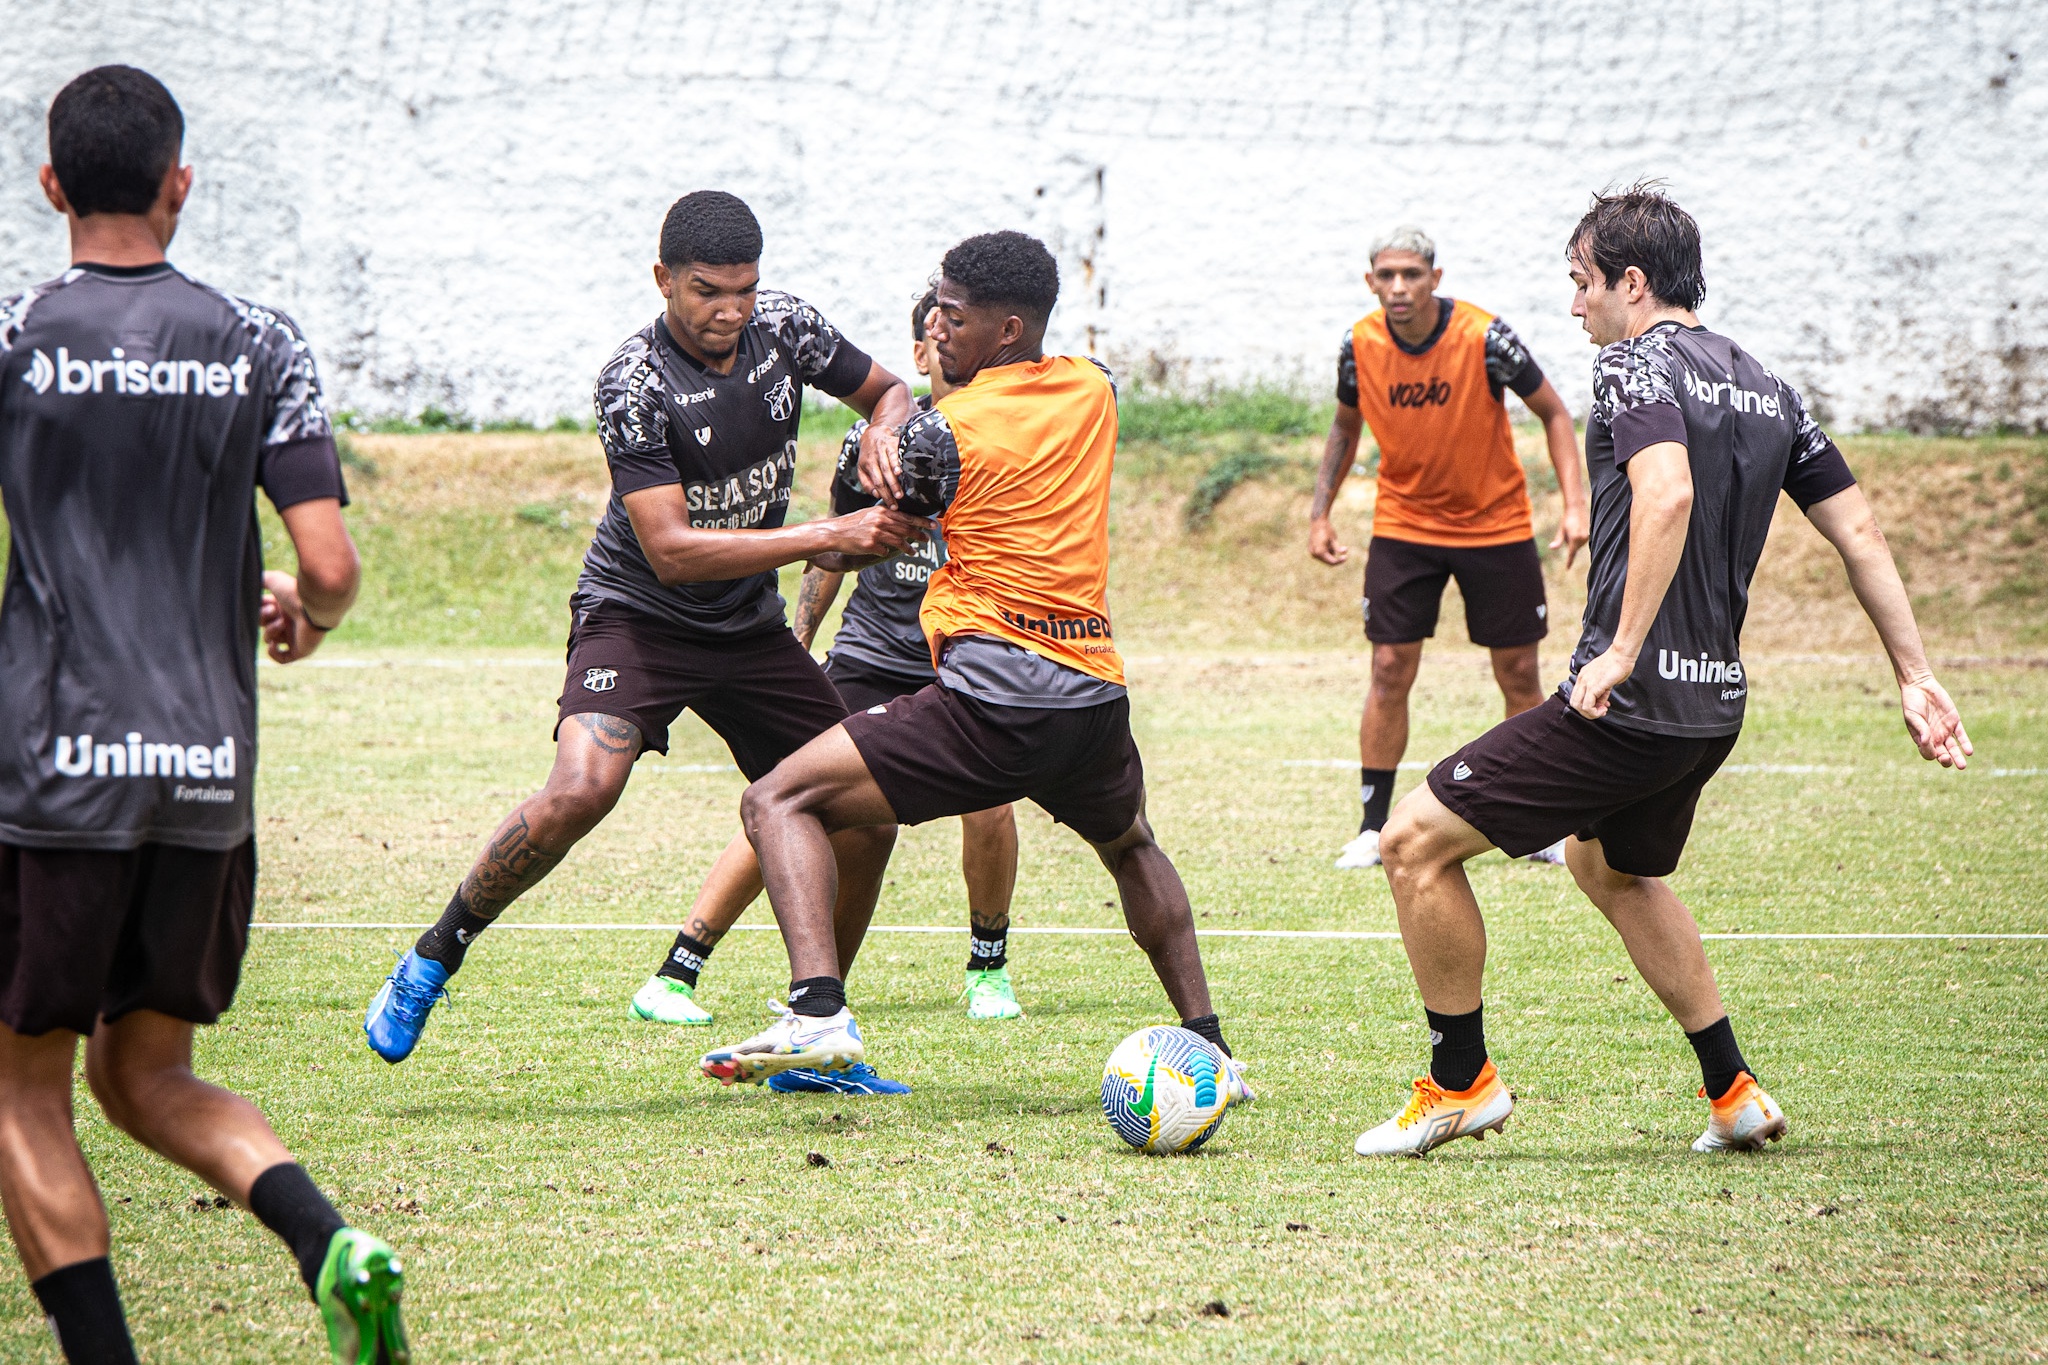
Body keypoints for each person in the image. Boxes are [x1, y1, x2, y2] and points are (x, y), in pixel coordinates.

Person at [1352, 184, 1971, 1158]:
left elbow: (1666, 491)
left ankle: (1457, 1081)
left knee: (1410, 844)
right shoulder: (1766, 386)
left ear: (1629, 283)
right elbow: (1857, 528)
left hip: (1629, 702)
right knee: (1612, 869)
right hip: (1711, 707)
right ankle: (1731, 1092)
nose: (1571, 307)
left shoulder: (1636, 366)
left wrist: (1621, 649)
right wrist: (1913, 672)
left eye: (1579, 283)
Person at [0, 67, 408, 1364]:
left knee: (25, 1091)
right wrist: (304, 612)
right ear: (180, 185)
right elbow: (331, 568)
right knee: (145, 1076)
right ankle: (325, 1239)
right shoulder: (259, 339)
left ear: (53, 185)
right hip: (203, 779)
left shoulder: (15, 332)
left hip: (51, 774)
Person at [362, 192, 926, 1083]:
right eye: (708, 291)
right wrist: (828, 536)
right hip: (638, 616)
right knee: (583, 788)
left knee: (867, 809)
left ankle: (816, 1028)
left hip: (747, 629)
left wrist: (885, 438)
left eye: (744, 289)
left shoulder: (786, 328)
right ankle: (436, 953)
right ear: (663, 278)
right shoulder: (634, 382)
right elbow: (668, 551)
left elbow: (890, 388)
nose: (731, 310)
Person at [693, 230, 1252, 1109]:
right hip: (1093, 690)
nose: (936, 329)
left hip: (994, 697)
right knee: (1131, 845)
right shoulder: (1091, 387)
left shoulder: (943, 433)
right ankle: (1215, 1052)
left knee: (776, 798)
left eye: (953, 317)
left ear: (1007, 329)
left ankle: (818, 1013)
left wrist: (870, 458)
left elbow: (889, 512)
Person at [627, 290, 1027, 1033]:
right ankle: (681, 965)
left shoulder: (1004, 446)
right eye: (936, 336)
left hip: (964, 654)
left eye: (961, 335)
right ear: (917, 354)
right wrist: (799, 641)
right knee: (794, 792)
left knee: (990, 800)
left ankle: (987, 968)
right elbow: (833, 548)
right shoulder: (874, 443)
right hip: (873, 655)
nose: (951, 349)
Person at [1308, 225, 1591, 871]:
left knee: (1518, 672)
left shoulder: (1485, 337)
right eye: (1387, 275)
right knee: (1387, 668)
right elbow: (1345, 425)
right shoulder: (1360, 344)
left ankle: (1539, 824)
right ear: (1371, 281)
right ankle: (1372, 827)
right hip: (1405, 527)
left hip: (1496, 526)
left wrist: (1576, 506)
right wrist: (1319, 512)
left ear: (1435, 279)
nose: (1399, 286)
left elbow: (1552, 411)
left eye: (1411, 274)